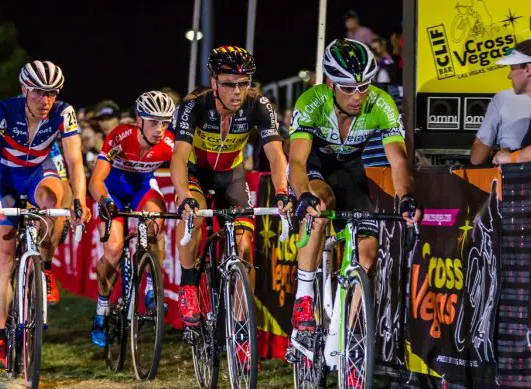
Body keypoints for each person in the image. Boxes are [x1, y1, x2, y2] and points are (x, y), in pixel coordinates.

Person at [287, 39, 421, 347]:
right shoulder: (312, 101)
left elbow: (398, 160)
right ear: (331, 83)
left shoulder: (381, 103)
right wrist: (302, 194)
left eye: (363, 87)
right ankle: (304, 297)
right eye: (348, 88)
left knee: (368, 253)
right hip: (313, 165)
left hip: (349, 170)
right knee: (321, 205)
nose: (358, 96)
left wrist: (406, 198)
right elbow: (296, 160)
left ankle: (347, 342)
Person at [0, 60, 91, 368]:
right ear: (25, 89)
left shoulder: (63, 112)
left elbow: (75, 160)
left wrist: (80, 199)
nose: (46, 101)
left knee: (56, 198)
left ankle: (46, 265)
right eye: (39, 93)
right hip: (5, 176)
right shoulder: (4, 110)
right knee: (3, 256)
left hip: (39, 170)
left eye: (52, 93)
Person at [171, 46, 290, 338]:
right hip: (195, 172)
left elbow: (275, 154)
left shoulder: (259, 104)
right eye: (229, 84)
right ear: (214, 83)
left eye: (243, 83)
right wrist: (183, 194)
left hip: (231, 175)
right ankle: (188, 285)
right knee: (194, 216)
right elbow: (178, 156)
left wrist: (283, 190)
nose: (237, 91)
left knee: (245, 243)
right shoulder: (194, 104)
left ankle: (239, 324)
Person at [88, 91, 176, 348]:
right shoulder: (120, 136)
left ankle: (151, 287)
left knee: (155, 221)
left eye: (165, 122)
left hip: (142, 187)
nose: (160, 129)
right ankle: (102, 309)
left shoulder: (169, 142)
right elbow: (96, 181)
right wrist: (105, 202)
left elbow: (184, 172)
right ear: (140, 120)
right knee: (114, 249)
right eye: (154, 122)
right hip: (113, 189)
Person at [489, 39, 531, 163]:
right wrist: (514, 153)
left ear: (528, 69)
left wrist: (508, 158)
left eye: (512, 68)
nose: (509, 75)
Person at [469, 89, 531, 165]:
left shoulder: (504, 97)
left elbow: (476, 159)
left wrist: (509, 157)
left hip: (513, 170)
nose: (510, 76)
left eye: (514, 75)